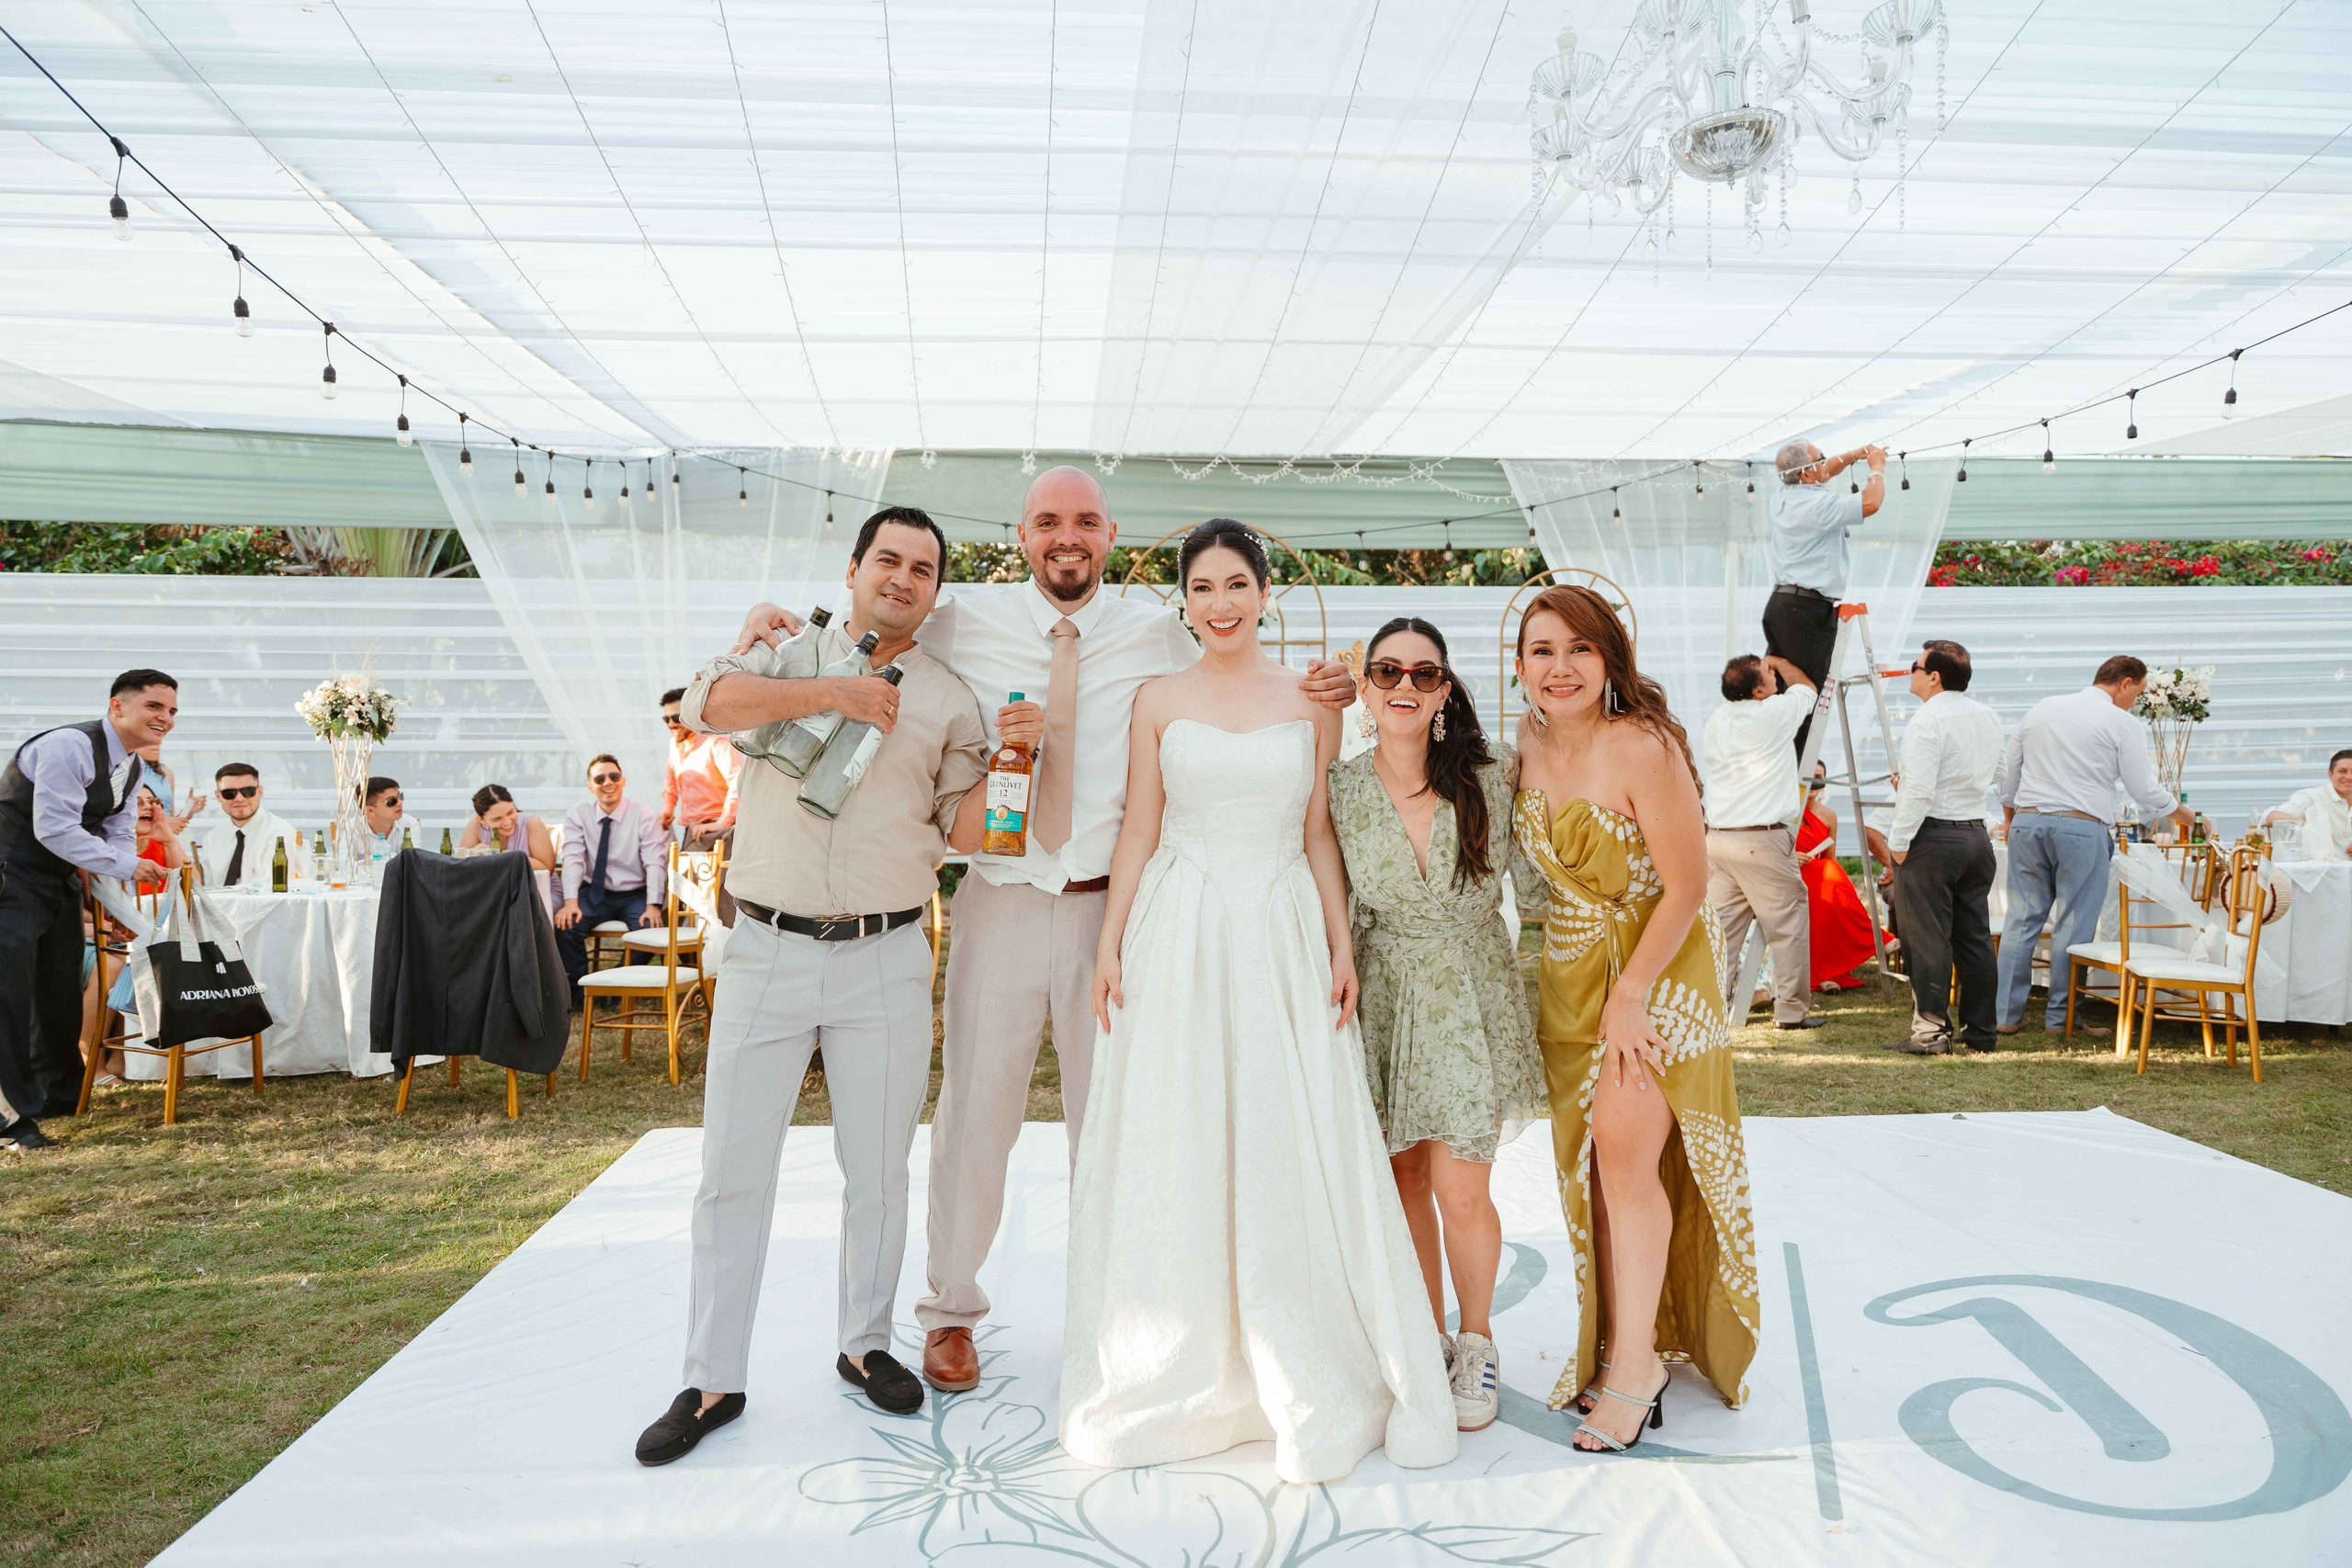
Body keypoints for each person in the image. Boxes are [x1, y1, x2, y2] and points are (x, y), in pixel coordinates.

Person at [727, 466, 1358, 1397]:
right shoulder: (961, 619)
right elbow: (879, 612)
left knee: (1119, 1118)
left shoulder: (1157, 631)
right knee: (976, 1114)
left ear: (1110, 536)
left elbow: (1234, 683)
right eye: (1050, 521)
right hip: (1002, 896)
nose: (1069, 537)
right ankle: (950, 1310)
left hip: (1119, 908)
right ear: (1022, 535)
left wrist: (1326, 682)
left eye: (1087, 522)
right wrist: (774, 617)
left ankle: (1122, 1309)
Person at [1062, 519, 1456, 1485]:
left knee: (1286, 1121)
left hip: (1280, 926)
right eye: (1202, 588)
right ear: (1185, 601)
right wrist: (1112, 939)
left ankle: (1302, 1347)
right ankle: (1184, 1350)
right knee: (1183, 1121)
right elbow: (1140, 826)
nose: (1220, 604)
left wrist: (1338, 940)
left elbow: (1318, 830)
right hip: (1181, 926)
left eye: (1236, 584)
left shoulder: (1312, 699)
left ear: (1264, 593)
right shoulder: (1158, 699)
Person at [633, 507, 989, 1467]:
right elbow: (704, 705)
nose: (902, 577)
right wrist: (836, 690)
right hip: (768, 948)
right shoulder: (787, 651)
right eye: (888, 559)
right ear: (854, 568)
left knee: (878, 1171)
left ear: (935, 591)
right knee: (731, 1171)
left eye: (922, 568)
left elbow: (966, 831)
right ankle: (711, 1379)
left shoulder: (951, 696)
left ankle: (865, 1344)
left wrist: (1017, 761)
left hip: (886, 954)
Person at [1510, 586, 1756, 1453]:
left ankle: (1636, 1368)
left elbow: (1688, 885)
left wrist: (1631, 992)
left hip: (1655, 973)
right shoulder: (1526, 742)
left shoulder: (1643, 745)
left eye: (1580, 648)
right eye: (1543, 650)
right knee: (1592, 1173)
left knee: (1624, 1156)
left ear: (1610, 657)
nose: (1561, 667)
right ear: (1520, 665)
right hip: (1569, 974)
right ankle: (1618, 1341)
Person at [1327, 616, 1543, 1434]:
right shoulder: (1339, 786)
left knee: (1462, 1185)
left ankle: (1476, 1340)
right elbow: (1325, 887)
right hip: (1383, 991)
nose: (1405, 686)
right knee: (1404, 1179)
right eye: (1388, 671)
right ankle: (1426, 1337)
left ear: (1445, 689)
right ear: (1368, 687)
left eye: (1424, 673)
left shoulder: (1492, 775)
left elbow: (1539, 882)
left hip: (1468, 995)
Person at [0, 670, 178, 1151]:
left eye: (171, 711)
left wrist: (115, 902)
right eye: (154, 706)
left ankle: (58, 1096)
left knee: (57, 991)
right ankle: (9, 1120)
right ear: (117, 706)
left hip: (56, 884)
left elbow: (115, 837)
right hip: (9, 876)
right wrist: (131, 865)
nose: (165, 718)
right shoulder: (68, 746)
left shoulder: (133, 768)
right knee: (8, 996)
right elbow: (55, 829)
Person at [1995, 656, 2191, 1037]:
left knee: (2021, 919)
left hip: (2028, 823)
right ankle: (2061, 1019)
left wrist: (2010, 817)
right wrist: (2183, 813)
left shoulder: (2041, 709)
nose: (2136, 702)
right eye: (2138, 693)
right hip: (2081, 828)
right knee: (2074, 923)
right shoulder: (2121, 722)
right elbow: (2142, 788)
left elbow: (2007, 778)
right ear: (2125, 683)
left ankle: (2004, 1015)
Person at [1881, 640, 2004, 1055]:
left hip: (1933, 837)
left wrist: (1898, 843)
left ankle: (1931, 1034)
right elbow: (1999, 772)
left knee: (1927, 939)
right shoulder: (1987, 715)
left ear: (1934, 677)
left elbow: (1918, 791)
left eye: (1914, 667)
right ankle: (1981, 1033)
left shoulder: (1926, 719)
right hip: (1975, 835)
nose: (1910, 673)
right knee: (1975, 938)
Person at [1701, 651, 1821, 1030]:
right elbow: (1808, 690)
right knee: (1787, 927)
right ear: (1757, 691)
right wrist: (1781, 661)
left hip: (1719, 840)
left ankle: (1709, 1012)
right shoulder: (1773, 712)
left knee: (1721, 934)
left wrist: (1767, 668)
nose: (1775, 677)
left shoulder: (1717, 719)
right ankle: (1791, 1013)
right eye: (1769, 674)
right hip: (1760, 840)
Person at [1764, 440, 1886, 758]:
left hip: (1783, 606)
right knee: (1806, 694)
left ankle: (1780, 763)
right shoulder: (1817, 505)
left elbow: (1825, 471)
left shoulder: (1784, 495)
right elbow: (1871, 502)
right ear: (1806, 474)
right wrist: (1876, 467)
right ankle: (1797, 768)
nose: (1826, 462)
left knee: (1779, 691)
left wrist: (1854, 455)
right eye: (1820, 458)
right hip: (1806, 610)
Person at [553, 755, 666, 1006]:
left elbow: (655, 861)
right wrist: (570, 902)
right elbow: (573, 859)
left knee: (650, 932)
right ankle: (579, 995)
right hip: (596, 893)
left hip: (636, 894)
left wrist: (653, 905)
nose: (608, 783)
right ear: (590, 786)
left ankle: (611, 990)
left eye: (614, 777)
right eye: (600, 779)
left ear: (623, 781)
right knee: (565, 926)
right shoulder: (579, 814)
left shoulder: (644, 814)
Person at [1796, 762, 1882, 992]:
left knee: (1829, 885)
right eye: (1809, 776)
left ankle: (1828, 973)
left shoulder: (1829, 816)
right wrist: (1793, 857)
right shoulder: (1787, 812)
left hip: (1817, 877)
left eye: (1819, 776)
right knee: (1825, 879)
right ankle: (1875, 937)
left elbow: (1829, 857)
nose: (1814, 781)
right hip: (1789, 874)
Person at [197, 763, 306, 887]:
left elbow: (275, 890)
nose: (239, 798)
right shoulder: (212, 838)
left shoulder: (280, 833)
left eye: (248, 791)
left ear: (260, 791)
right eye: (229, 793)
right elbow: (209, 889)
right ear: (218, 796)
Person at [661, 687, 741, 851]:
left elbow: (738, 784)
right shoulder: (674, 745)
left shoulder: (716, 742)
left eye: (676, 718)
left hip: (719, 830)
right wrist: (668, 810)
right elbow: (671, 780)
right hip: (693, 829)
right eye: (666, 719)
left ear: (693, 714)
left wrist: (722, 823)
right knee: (683, 867)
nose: (671, 724)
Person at [2264, 749, 2352, 859]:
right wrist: (2305, 824)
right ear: (2330, 774)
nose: (2349, 777)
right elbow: (2271, 817)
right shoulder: (2312, 796)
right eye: (2342, 771)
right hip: (2319, 868)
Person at [458, 784, 558, 872]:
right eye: (497, 818)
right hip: (493, 886)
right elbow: (459, 865)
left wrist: (506, 857)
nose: (507, 822)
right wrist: (473, 854)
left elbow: (547, 867)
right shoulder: (476, 825)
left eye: (510, 812)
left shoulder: (531, 822)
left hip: (535, 885)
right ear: (481, 820)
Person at [360, 777, 424, 863]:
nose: (400, 803)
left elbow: (413, 862)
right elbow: (344, 864)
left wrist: (372, 861)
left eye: (400, 796)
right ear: (370, 810)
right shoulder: (350, 830)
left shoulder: (409, 824)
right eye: (391, 801)